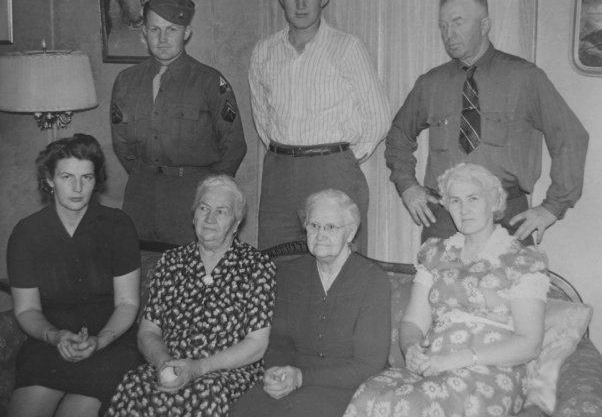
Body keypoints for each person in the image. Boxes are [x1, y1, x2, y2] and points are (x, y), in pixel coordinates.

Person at [385, 0, 588, 245]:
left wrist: (552, 207)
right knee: (438, 283)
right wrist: (408, 186)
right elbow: (398, 136)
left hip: (506, 213)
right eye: (443, 25)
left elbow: (570, 137)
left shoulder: (525, 77)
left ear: (484, 25)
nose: (449, 34)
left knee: (512, 284)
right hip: (446, 216)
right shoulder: (430, 83)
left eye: (458, 22)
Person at [344, 163, 549, 416]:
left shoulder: (521, 260)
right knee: (370, 394)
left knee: (411, 406)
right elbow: (413, 322)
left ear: (495, 202)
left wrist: (459, 359)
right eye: (455, 201)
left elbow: (529, 344)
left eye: (473, 198)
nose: (464, 209)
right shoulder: (435, 254)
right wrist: (412, 349)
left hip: (491, 373)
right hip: (434, 366)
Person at [249, 0, 391, 253]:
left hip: (333, 170)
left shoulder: (346, 48)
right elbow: (263, 119)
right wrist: (287, 152)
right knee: (277, 266)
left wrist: (342, 159)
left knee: (338, 267)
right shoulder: (264, 52)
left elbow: (378, 119)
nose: (300, 5)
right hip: (279, 174)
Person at [106, 174, 276, 417]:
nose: (209, 218)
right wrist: (165, 363)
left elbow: (256, 345)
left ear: (236, 223)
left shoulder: (257, 266)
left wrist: (198, 369)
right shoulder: (171, 262)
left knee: (207, 392)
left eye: (221, 212)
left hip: (226, 374)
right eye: (204, 208)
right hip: (169, 365)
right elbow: (148, 332)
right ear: (193, 215)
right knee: (133, 384)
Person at [6, 133, 141, 417]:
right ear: (50, 179)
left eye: (87, 178)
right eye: (67, 177)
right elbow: (27, 308)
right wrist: (56, 336)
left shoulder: (118, 226)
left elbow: (127, 303)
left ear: (96, 180)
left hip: (110, 343)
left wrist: (100, 340)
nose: (78, 188)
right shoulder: (26, 234)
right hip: (50, 343)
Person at [230, 189, 391, 417]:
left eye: (331, 227)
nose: (320, 234)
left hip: (349, 385)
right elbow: (278, 344)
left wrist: (302, 377)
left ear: (351, 232)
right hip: (296, 381)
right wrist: (277, 373)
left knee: (300, 411)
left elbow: (368, 364)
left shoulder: (372, 280)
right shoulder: (289, 274)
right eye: (313, 226)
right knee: (247, 406)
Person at [111, 0, 247, 246]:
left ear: (187, 32)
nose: (162, 39)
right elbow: (122, 144)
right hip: (140, 200)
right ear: (144, 33)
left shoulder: (210, 82)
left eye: (171, 29)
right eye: (155, 29)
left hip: (191, 202)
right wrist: (147, 174)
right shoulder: (126, 82)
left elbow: (234, 146)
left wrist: (209, 198)